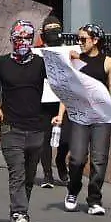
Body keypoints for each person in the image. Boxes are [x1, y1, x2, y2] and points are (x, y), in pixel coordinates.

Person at [0, 20, 49, 222]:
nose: (22, 42)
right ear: (12, 39)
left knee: (30, 176)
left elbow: (61, 84)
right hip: (11, 127)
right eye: (19, 38)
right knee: (17, 172)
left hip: (36, 128)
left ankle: (21, 211)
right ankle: (19, 213)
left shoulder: (41, 64)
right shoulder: (0, 64)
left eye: (27, 38)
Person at [63, 23, 111, 216]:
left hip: (102, 117)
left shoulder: (108, 62)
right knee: (76, 158)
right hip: (80, 116)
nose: (80, 43)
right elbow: (68, 89)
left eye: (83, 39)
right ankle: (73, 190)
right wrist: (60, 114)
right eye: (78, 39)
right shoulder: (75, 59)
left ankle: (94, 200)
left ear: (95, 40)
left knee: (99, 160)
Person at [36, 15, 68, 188]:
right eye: (50, 30)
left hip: (65, 100)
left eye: (56, 29)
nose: (54, 34)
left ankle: (61, 161)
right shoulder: (38, 52)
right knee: (45, 138)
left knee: (66, 139)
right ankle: (48, 174)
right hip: (44, 101)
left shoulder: (69, 52)